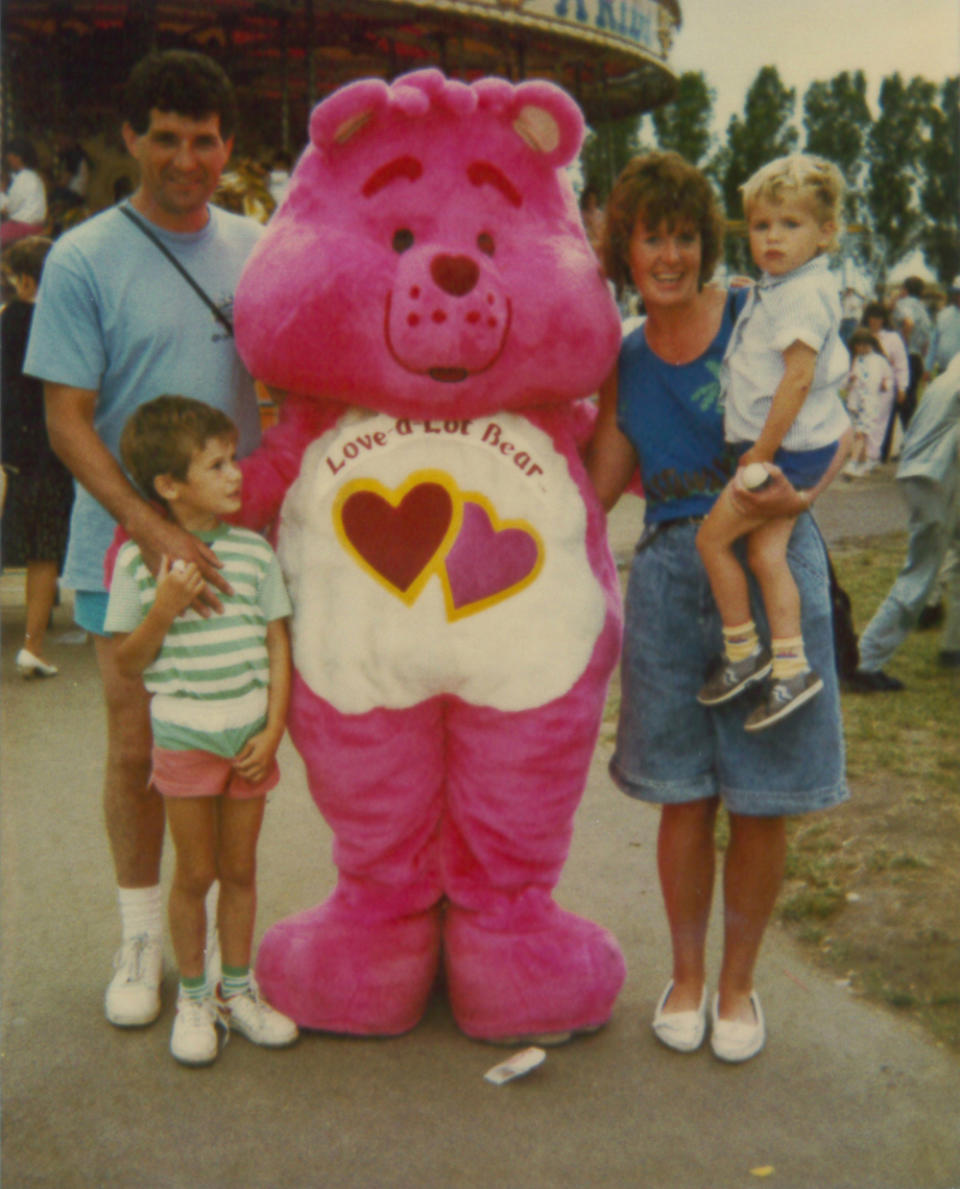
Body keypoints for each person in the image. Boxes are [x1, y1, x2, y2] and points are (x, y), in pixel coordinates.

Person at [586, 151, 849, 1063]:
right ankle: (688, 975)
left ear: (707, 240)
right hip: (670, 578)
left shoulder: (758, 309)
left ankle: (739, 984)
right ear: (625, 248)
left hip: (767, 558)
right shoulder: (621, 354)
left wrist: (806, 498)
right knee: (685, 799)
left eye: (685, 235)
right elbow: (600, 485)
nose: (671, 255)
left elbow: (839, 422)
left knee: (764, 797)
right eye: (651, 238)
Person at [24, 49, 264, 1030]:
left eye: (203, 139)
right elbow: (66, 418)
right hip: (124, 549)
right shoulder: (83, 257)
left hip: (237, 556)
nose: (184, 158)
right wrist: (153, 526)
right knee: (139, 752)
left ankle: (228, 957)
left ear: (228, 145)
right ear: (130, 139)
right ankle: (138, 936)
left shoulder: (260, 247)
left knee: (237, 747)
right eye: (164, 136)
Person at [105, 396, 297, 1065]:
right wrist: (164, 608)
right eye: (215, 464)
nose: (235, 473)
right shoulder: (140, 562)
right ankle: (192, 994)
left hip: (248, 739)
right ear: (169, 484)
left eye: (233, 457)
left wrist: (274, 728)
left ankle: (235, 990)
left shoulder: (251, 552)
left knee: (240, 871)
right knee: (196, 872)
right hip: (186, 740)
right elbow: (128, 660)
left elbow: (277, 643)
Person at [694, 154, 850, 731]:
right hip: (801, 448)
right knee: (763, 554)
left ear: (825, 232)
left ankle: (743, 654)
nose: (773, 238)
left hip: (781, 451)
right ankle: (792, 667)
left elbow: (799, 376)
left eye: (790, 225)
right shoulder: (788, 286)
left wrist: (759, 454)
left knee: (712, 541)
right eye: (761, 227)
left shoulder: (799, 296)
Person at [847, 351, 960, 689]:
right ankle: (866, 661)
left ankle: (953, 646)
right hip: (935, 479)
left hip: (926, 475)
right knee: (921, 573)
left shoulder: (949, 375)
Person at [1, 236, 74, 676]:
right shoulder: (54, 321)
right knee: (43, 549)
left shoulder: (8, 321)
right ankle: (33, 644)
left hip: (14, 448)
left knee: (22, 541)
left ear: (24, 278)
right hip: (48, 447)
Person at [842, 328, 896, 479]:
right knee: (858, 434)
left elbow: (889, 378)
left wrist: (885, 385)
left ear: (871, 344)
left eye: (864, 345)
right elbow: (845, 381)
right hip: (855, 402)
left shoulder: (879, 360)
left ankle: (852, 463)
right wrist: (849, 380)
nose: (861, 349)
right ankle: (865, 461)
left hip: (871, 403)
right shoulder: (855, 360)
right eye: (858, 346)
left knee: (861, 433)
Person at [890, 275, 933, 431]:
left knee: (899, 400)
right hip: (917, 357)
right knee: (911, 399)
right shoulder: (923, 309)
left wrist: (903, 343)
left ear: (905, 289)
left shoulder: (903, 304)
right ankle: (912, 435)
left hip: (905, 355)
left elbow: (908, 322)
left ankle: (905, 436)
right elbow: (927, 340)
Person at [1, 137, 47, 247]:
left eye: (10, 156)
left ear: (18, 157)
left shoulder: (23, 178)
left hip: (23, 227)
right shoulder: (34, 177)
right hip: (36, 226)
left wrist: (1, 193)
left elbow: (10, 208)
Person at [927, 278, 960, 378]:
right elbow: (933, 342)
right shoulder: (943, 314)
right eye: (956, 293)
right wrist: (928, 367)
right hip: (943, 370)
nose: (958, 296)